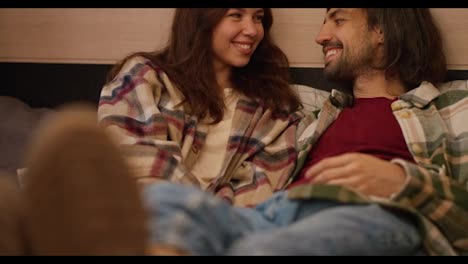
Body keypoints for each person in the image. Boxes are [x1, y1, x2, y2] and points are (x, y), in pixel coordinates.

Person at [2, 7, 467, 256]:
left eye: (337, 19)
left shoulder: (451, 108)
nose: (320, 35)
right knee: (162, 201)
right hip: (275, 212)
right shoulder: (312, 108)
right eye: (237, 15)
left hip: (375, 213)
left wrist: (406, 183)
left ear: (383, 29)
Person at [0, 8, 302, 255]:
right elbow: (138, 160)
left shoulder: (274, 109)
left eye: (259, 17)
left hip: (204, 230)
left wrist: (202, 221)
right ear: (201, 18)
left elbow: (260, 192)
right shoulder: (144, 75)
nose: (252, 29)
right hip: (132, 205)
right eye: (236, 15)